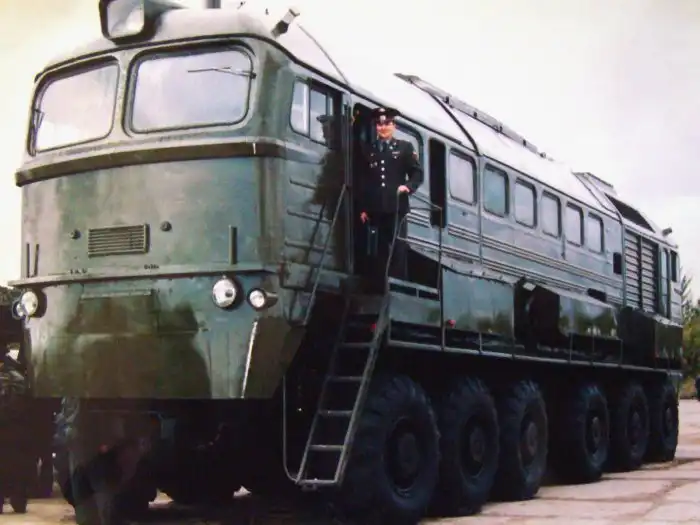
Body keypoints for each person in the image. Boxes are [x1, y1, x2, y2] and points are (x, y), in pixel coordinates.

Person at [355, 106, 423, 285]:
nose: (383, 127)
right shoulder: (370, 151)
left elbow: (417, 173)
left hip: (396, 207)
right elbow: (364, 181)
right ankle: (379, 281)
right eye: (379, 124)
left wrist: (408, 187)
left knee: (397, 246)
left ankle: (397, 282)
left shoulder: (404, 148)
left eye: (386, 124)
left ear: (393, 126)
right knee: (379, 248)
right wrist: (363, 208)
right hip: (376, 209)